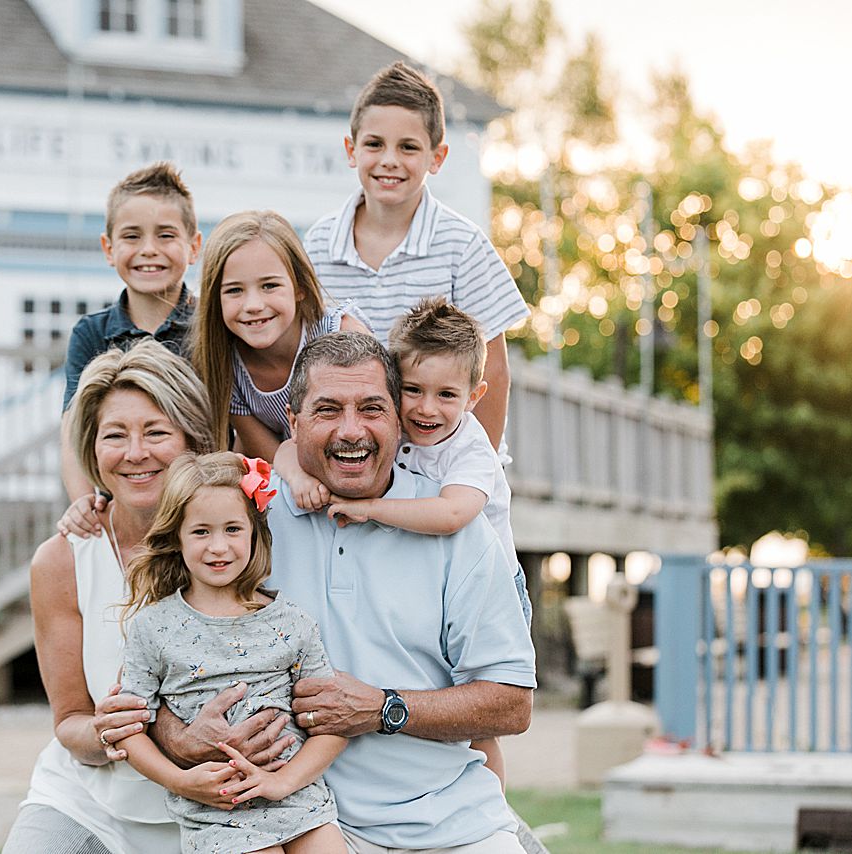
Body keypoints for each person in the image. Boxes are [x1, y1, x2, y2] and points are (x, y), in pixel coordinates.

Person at [149, 332, 537, 852]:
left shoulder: (457, 530)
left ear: (398, 420)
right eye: (328, 409)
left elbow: (512, 704)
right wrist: (182, 738)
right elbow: (156, 670)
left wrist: (383, 707)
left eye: (372, 408)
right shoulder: (242, 525)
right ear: (294, 421)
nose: (351, 431)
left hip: (452, 826)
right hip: (297, 825)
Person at [5, 341, 287, 854]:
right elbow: (71, 725)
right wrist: (119, 733)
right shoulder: (63, 561)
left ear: (192, 441)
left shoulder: (244, 544)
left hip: (223, 808)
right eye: (115, 435)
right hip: (92, 800)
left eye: (156, 432)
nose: (136, 453)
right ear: (93, 448)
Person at [279, 298, 533, 786]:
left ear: (473, 396)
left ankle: (492, 803)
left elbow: (453, 514)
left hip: (494, 574)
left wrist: (371, 511)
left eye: (445, 395)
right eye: (412, 392)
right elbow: (288, 450)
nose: (425, 408)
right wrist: (292, 478)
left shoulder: (469, 451)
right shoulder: (405, 430)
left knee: (480, 730)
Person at [117, 451, 346, 852]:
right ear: (177, 537)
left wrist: (282, 782)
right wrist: (179, 780)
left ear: (255, 533)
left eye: (233, 529)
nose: (218, 547)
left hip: (301, 803)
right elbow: (131, 727)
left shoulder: (292, 622)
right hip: (218, 813)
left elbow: (333, 724)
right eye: (201, 532)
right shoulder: (153, 628)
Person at [303, 61, 530, 452]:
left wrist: (481, 471)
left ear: (436, 157)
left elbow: (493, 370)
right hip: (354, 455)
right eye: (375, 144)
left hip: (444, 461)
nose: (389, 159)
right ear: (351, 150)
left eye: (408, 147)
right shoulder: (318, 245)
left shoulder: (462, 245)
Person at [60, 162, 202, 507]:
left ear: (194, 246)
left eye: (166, 235)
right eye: (132, 236)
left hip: (196, 501)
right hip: (121, 501)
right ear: (109, 248)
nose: (149, 249)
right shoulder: (90, 334)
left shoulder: (209, 324)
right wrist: (83, 502)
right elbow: (72, 431)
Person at [189, 210, 367, 460]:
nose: (253, 304)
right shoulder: (225, 363)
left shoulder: (340, 333)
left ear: (300, 288)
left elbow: (377, 420)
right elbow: (270, 455)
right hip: (287, 473)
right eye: (234, 290)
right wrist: (297, 478)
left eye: (269, 286)